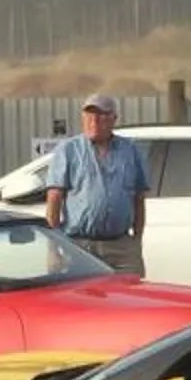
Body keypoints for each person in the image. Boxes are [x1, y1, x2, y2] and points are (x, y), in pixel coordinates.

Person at [44, 92, 152, 274]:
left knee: (130, 297)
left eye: (101, 114)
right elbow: (54, 199)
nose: (93, 120)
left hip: (121, 246)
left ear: (113, 119)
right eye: (89, 114)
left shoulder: (130, 151)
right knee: (82, 299)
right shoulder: (69, 150)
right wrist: (53, 249)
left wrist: (137, 241)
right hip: (79, 246)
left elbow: (139, 198)